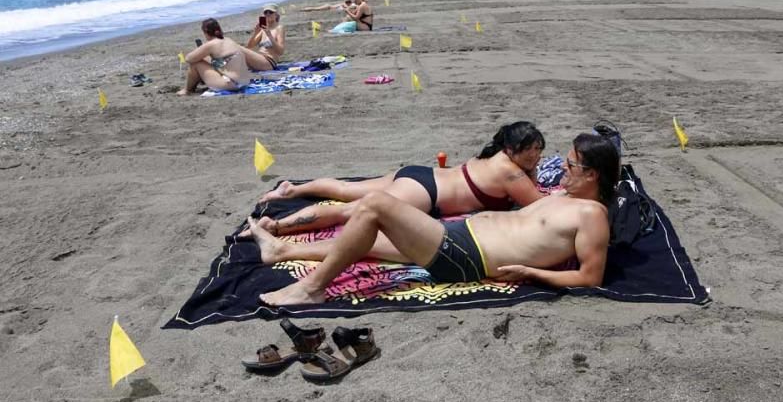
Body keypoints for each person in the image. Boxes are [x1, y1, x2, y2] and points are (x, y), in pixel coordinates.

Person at [250, 133, 620, 306]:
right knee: (365, 241)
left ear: (592, 175)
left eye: (570, 165)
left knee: (375, 206)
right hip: (458, 236)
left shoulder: (592, 215)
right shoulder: (566, 196)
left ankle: (312, 289)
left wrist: (532, 273)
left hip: (467, 257)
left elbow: (591, 277)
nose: (563, 169)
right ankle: (282, 249)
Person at [255, 121, 547, 235]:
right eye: (531, 151)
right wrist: (532, 175)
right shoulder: (510, 172)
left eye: (539, 151)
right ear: (511, 149)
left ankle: (292, 190)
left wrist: (529, 170)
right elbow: (539, 205)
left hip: (417, 174)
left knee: (347, 189)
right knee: (348, 211)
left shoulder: (492, 156)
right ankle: (277, 226)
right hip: (425, 194)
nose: (536, 156)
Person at [177, 18, 251, 96]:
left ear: (205, 32)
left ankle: (187, 90)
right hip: (244, 82)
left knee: (195, 64)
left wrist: (200, 50)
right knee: (209, 62)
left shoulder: (211, 44)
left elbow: (189, 59)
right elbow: (224, 63)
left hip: (232, 84)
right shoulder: (228, 40)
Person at [244, 4, 285, 71]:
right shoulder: (263, 29)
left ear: (276, 15)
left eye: (270, 12)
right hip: (260, 58)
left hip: (269, 61)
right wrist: (256, 33)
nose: (268, 14)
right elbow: (250, 46)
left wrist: (269, 35)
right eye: (266, 13)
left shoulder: (279, 28)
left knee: (239, 49)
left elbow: (280, 52)